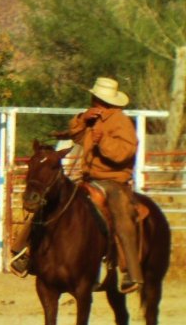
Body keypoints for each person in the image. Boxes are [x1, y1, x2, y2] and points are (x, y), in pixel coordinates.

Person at [9, 77, 143, 293]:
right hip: (88, 178)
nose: (92, 100)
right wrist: (82, 119)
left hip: (113, 180)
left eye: (95, 98)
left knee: (122, 215)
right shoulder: (94, 118)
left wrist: (103, 141)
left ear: (101, 99)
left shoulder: (121, 122)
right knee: (51, 202)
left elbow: (124, 153)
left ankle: (131, 273)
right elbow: (77, 136)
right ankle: (25, 251)